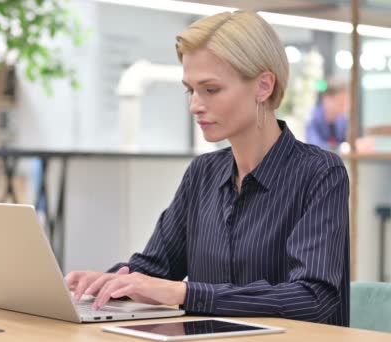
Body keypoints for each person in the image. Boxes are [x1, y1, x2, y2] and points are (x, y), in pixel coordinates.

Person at [65, 11, 349, 327]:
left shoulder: (320, 173)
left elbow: (312, 299)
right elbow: (157, 268)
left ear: (263, 86)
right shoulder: (203, 173)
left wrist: (186, 294)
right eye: (190, 90)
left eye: (210, 89)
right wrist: (110, 282)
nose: (195, 105)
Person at [306, 79, 350, 149]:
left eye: (346, 102)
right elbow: (314, 147)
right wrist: (340, 147)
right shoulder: (313, 119)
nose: (345, 106)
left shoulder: (343, 120)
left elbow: (348, 143)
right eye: (341, 101)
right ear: (326, 99)